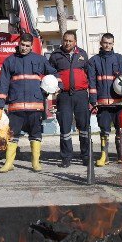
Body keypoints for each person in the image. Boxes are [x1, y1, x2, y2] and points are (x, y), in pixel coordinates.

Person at [0, 32, 58, 173]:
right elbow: (3, 84)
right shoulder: (10, 61)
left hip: (35, 106)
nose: (24, 48)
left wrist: (54, 87)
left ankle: (35, 163)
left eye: (27, 46)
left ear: (31, 46)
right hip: (15, 106)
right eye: (22, 45)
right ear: (19, 44)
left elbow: (53, 74)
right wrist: (0, 105)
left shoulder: (40, 60)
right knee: (12, 135)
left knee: (35, 135)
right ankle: (9, 163)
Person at [87, 33, 122, 167]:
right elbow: (92, 82)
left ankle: (121, 156)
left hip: (119, 103)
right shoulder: (93, 61)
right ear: (101, 43)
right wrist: (93, 100)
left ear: (113, 44)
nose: (107, 45)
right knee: (104, 131)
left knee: (120, 130)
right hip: (102, 104)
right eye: (105, 43)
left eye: (110, 43)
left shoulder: (120, 59)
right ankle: (104, 156)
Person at [48, 31, 90, 168]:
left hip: (81, 95)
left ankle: (86, 156)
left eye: (70, 41)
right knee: (65, 127)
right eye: (65, 40)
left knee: (84, 127)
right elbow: (50, 74)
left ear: (75, 42)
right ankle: (66, 158)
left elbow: (89, 74)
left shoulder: (83, 54)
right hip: (64, 96)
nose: (67, 43)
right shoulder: (55, 56)